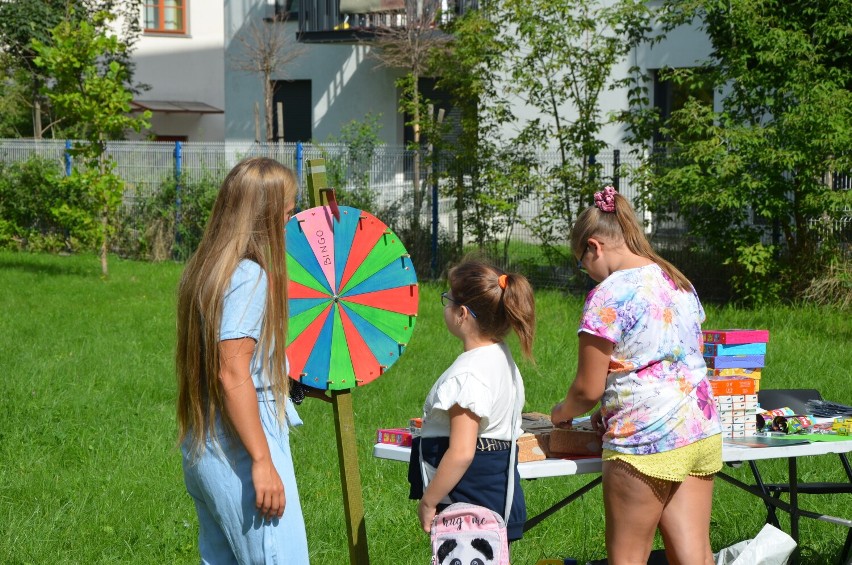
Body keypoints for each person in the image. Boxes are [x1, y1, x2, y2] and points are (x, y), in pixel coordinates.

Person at [551, 186, 722, 565]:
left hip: (646, 440)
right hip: (698, 427)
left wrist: (560, 414)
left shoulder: (607, 295)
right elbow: (664, 357)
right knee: (695, 557)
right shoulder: (677, 280)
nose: (586, 272)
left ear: (594, 247)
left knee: (628, 558)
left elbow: (587, 388)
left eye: (582, 262)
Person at [176, 157, 311, 564]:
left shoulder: (209, 268)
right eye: (288, 212)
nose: (292, 221)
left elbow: (237, 364)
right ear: (267, 216)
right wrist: (262, 461)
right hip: (241, 442)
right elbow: (232, 370)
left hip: (207, 438)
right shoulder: (251, 274)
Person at [408, 260, 535, 543]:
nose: (445, 307)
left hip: (469, 506)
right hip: (494, 498)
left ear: (462, 313)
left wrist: (429, 501)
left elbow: (463, 451)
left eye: (447, 300)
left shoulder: (469, 374)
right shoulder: (501, 359)